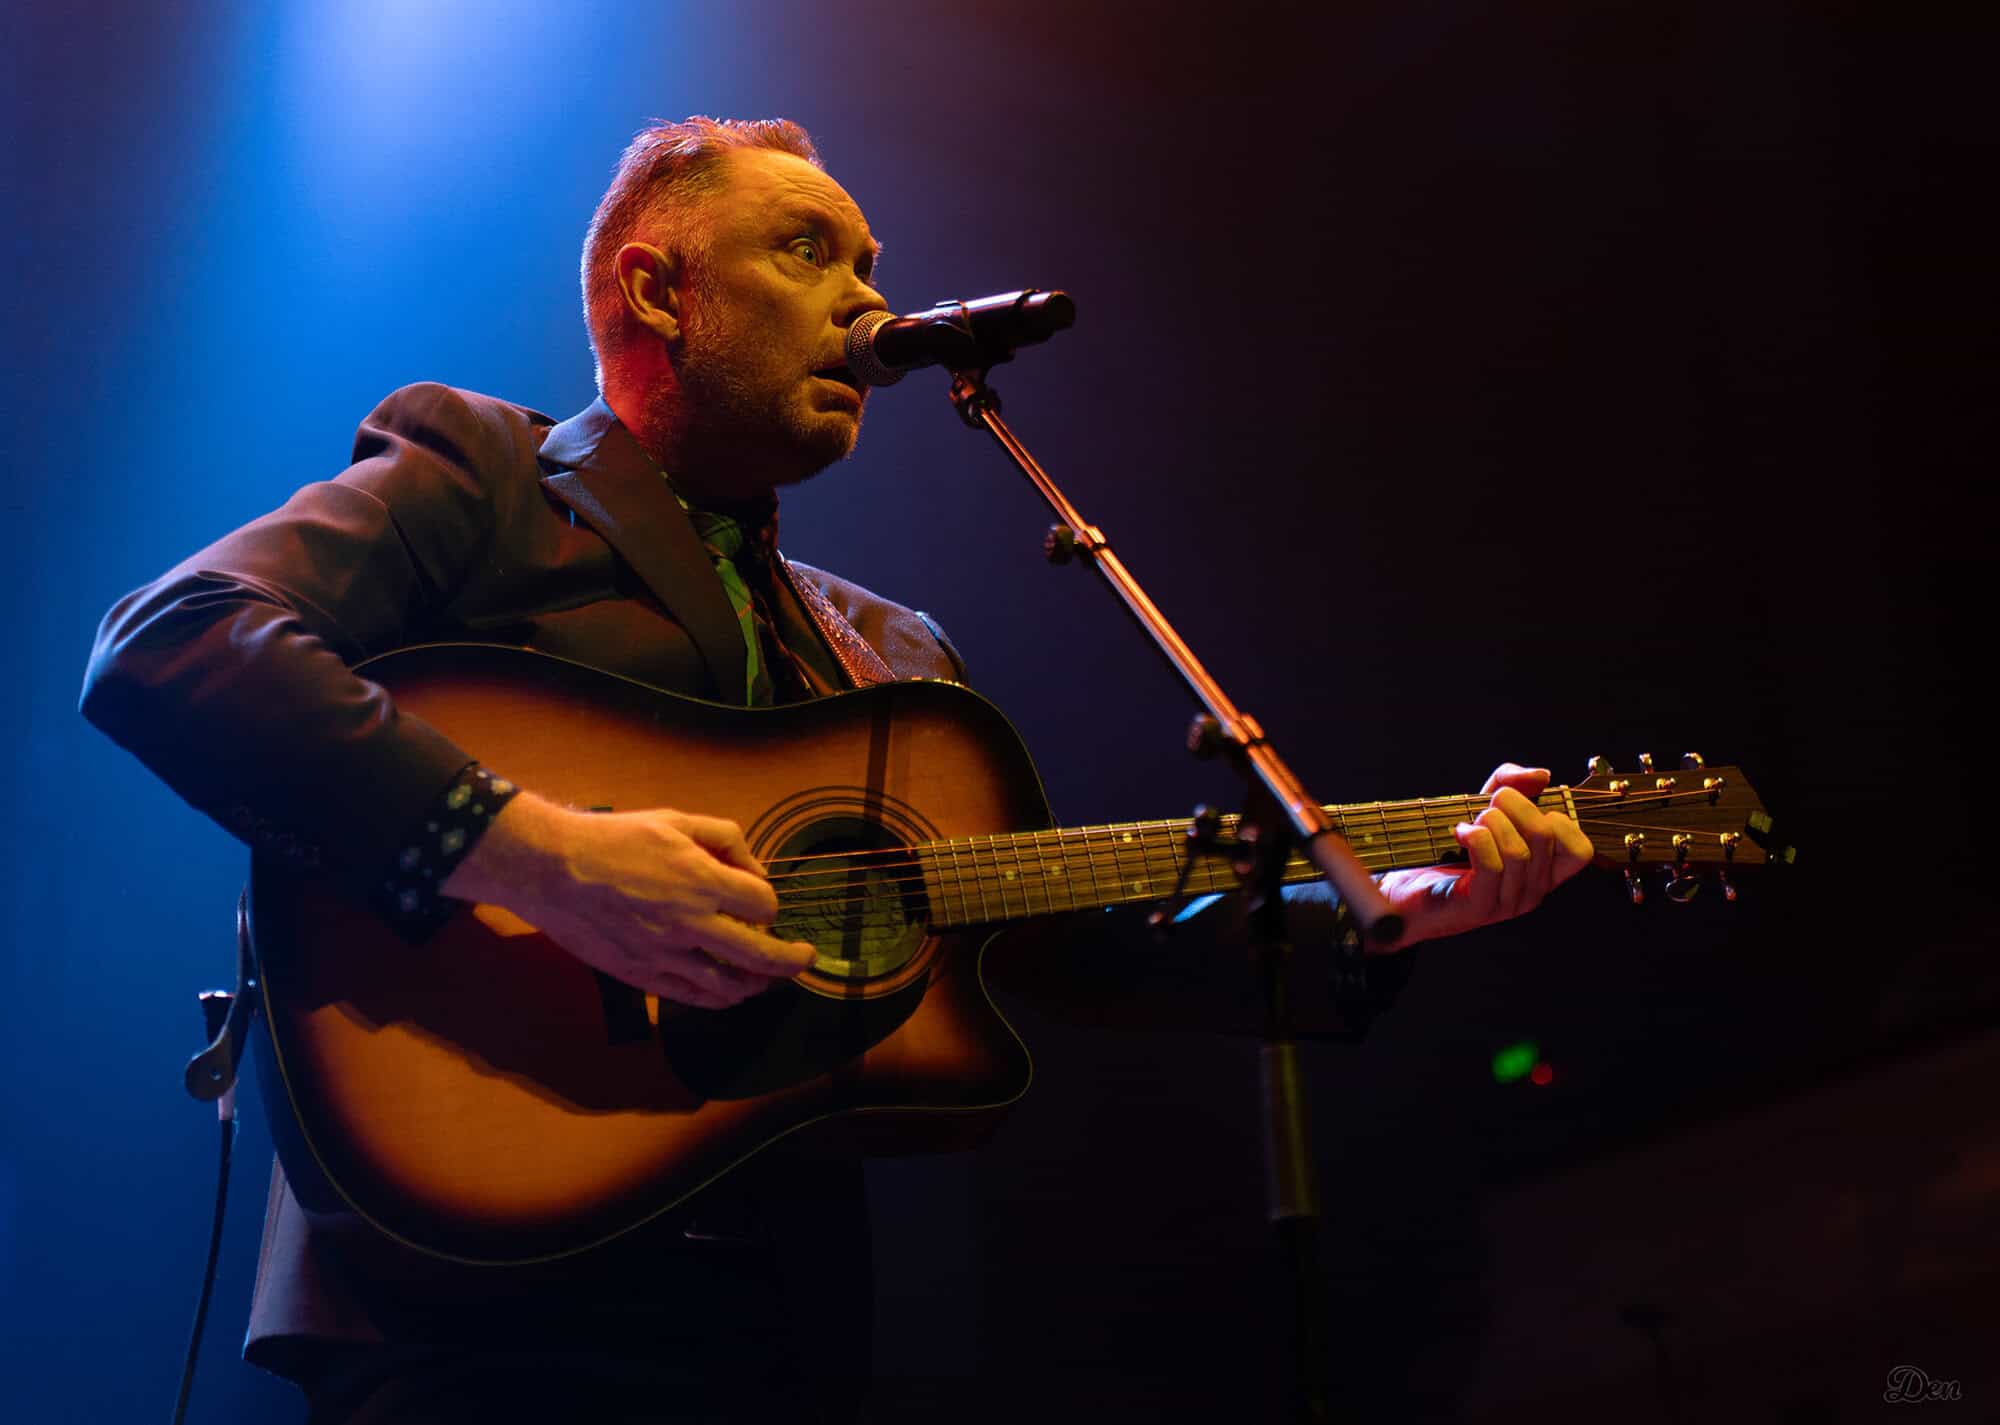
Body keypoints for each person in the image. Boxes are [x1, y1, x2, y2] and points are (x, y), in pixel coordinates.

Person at [81, 117, 1592, 1423]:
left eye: (870, 261)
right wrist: (537, 852)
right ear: (657, 292)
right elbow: (171, 641)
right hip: (466, 1291)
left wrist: (1385, 910)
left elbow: (1058, 938)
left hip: (778, 1308)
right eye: (808, 251)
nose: (869, 297)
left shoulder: (889, 651)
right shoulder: (481, 477)